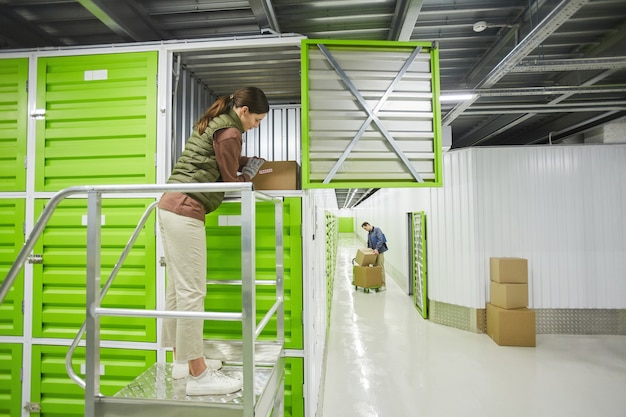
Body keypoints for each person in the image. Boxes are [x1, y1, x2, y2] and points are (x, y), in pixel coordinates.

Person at [157, 87, 269, 396]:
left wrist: (244, 161)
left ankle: (181, 360)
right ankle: (198, 375)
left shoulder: (218, 121)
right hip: (186, 210)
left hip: (169, 205)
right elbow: (232, 180)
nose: (256, 125)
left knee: (179, 289)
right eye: (257, 119)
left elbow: (215, 159)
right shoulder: (231, 130)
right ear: (244, 110)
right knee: (193, 291)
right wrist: (249, 177)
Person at [361, 222, 388, 286]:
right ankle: (376, 282)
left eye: (365, 228)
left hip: (379, 251)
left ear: (368, 225)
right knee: (374, 267)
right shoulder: (369, 234)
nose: (365, 230)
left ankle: (383, 284)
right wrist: (368, 251)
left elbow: (381, 240)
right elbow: (369, 243)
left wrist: (377, 249)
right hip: (373, 253)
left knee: (380, 267)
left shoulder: (377, 230)